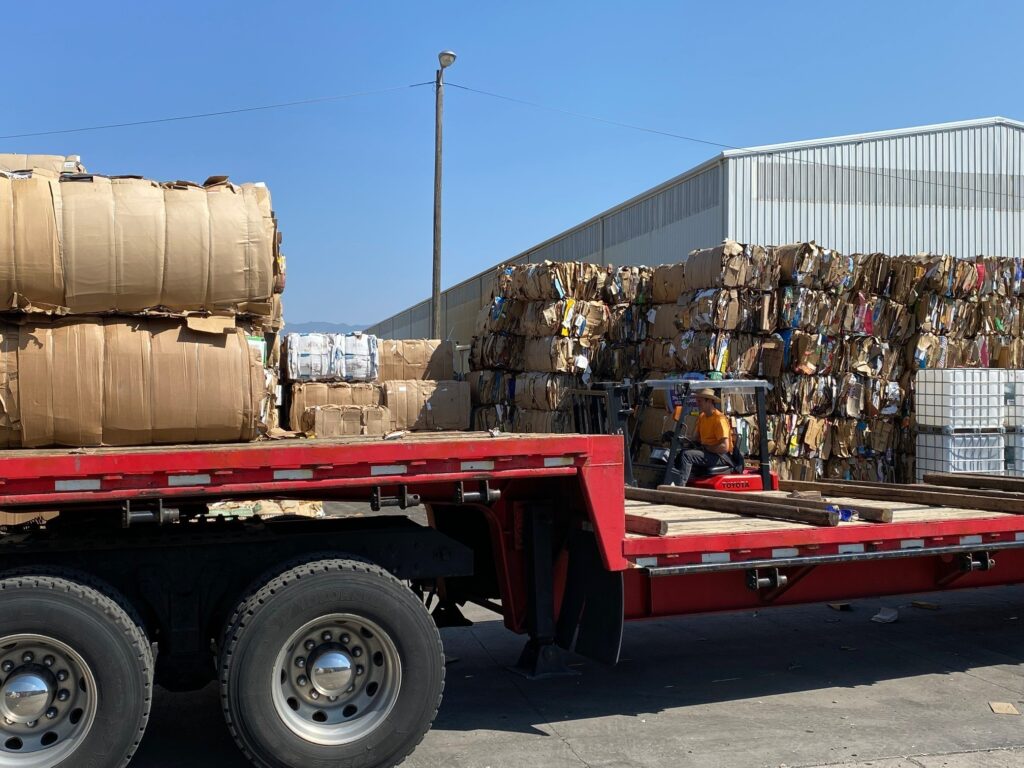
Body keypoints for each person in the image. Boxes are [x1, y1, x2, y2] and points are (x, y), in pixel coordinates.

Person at [664, 388, 735, 486]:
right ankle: (672, 480)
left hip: (720, 456)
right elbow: (696, 438)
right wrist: (679, 437)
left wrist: (708, 448)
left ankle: (679, 487)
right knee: (680, 453)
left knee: (687, 456)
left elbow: (724, 447)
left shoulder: (719, 419)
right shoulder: (702, 417)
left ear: (709, 401)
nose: (697, 403)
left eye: (699, 401)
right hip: (708, 452)